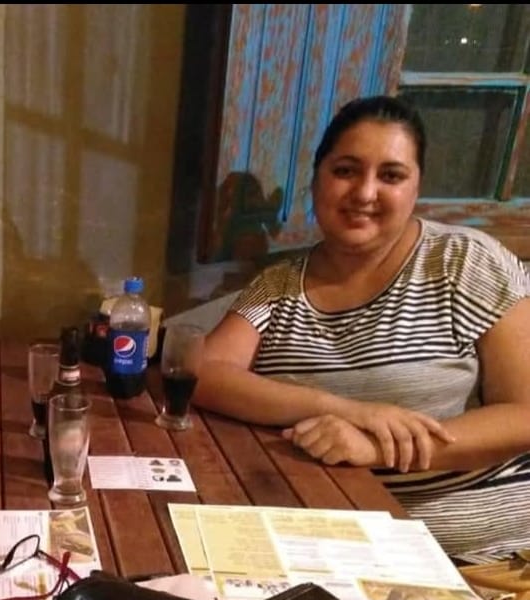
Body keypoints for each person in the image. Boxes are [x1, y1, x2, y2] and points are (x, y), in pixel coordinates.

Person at [193, 94, 530, 563]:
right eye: (346, 170)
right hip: (323, 540)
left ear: (416, 188)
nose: (365, 193)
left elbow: (524, 415)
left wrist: (373, 447)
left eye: (391, 176)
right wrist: (345, 409)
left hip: (473, 557)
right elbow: (203, 373)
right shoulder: (279, 284)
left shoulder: (463, 260)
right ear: (316, 180)